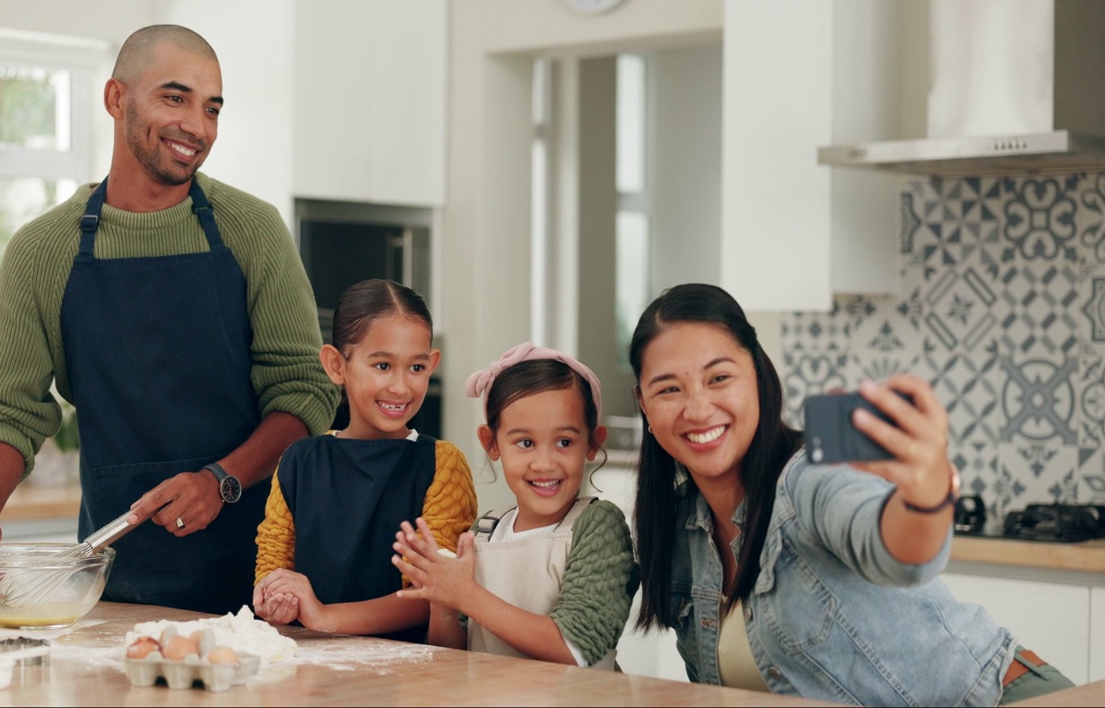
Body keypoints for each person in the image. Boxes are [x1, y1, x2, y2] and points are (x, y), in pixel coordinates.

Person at [0, 24, 339, 615]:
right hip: (114, 587)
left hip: (265, 584)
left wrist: (221, 481)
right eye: (174, 98)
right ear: (116, 99)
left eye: (212, 108)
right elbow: (9, 410)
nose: (197, 127)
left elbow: (305, 394)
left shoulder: (252, 232)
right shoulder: (42, 252)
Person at [628, 283, 1074, 705]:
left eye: (719, 377)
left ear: (758, 375)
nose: (698, 408)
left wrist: (926, 488)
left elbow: (900, 553)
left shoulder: (808, 478)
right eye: (669, 389)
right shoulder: (675, 531)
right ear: (644, 405)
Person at [252, 279, 477, 642]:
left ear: (432, 364)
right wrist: (276, 598)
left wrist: (324, 615)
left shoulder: (442, 465)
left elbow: (434, 595)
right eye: (383, 365)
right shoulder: (299, 461)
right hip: (310, 673)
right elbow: (273, 568)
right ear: (336, 365)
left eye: (416, 368)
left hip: (407, 681)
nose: (401, 387)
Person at [392, 342, 639, 669]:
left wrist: (465, 594)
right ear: (491, 443)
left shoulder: (598, 525)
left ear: (593, 442)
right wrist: (443, 602)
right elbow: (452, 659)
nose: (544, 462)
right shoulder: (485, 531)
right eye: (525, 443)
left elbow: (576, 647)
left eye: (564, 442)